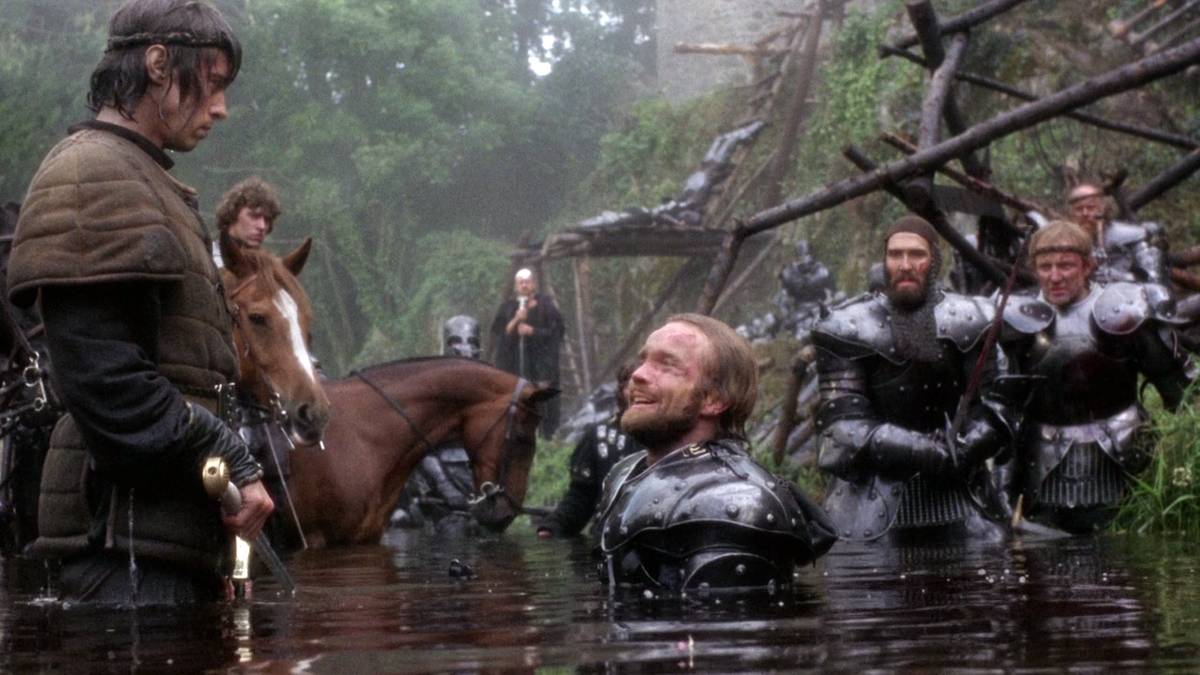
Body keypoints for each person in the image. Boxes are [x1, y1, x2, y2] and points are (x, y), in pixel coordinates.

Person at [6, 0, 272, 604]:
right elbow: (108, 385)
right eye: (213, 83)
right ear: (157, 65)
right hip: (121, 548)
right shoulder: (93, 173)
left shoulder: (139, 176)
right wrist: (229, 456)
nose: (221, 108)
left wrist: (212, 542)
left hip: (156, 540)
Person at [812, 216, 1050, 544]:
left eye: (916, 254)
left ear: (934, 260)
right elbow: (843, 426)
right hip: (869, 503)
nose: (905, 265)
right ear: (884, 261)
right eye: (896, 255)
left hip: (962, 494)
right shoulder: (847, 327)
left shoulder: (971, 318)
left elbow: (998, 404)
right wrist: (920, 449)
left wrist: (970, 445)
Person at [595, 314, 835, 592]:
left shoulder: (734, 503)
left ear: (714, 399)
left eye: (667, 365)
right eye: (644, 360)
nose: (637, 374)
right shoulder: (624, 474)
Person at [1001, 221, 1191, 534]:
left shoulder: (1124, 310)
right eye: (1045, 267)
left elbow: (1179, 390)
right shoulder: (1016, 319)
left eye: (1066, 265)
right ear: (1034, 269)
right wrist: (1001, 489)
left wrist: (1182, 460)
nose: (1055, 276)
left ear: (1088, 266)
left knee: (1127, 548)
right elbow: (1001, 408)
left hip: (1124, 454)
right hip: (1040, 465)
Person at [536, 365, 643, 539]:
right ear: (622, 391)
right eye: (633, 385)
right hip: (608, 541)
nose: (640, 392)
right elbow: (582, 496)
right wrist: (554, 525)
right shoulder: (599, 436)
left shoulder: (678, 436)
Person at [490, 268, 564, 438]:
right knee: (515, 399)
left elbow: (556, 332)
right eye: (521, 282)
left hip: (541, 366)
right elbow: (500, 334)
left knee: (542, 400)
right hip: (514, 364)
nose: (524, 285)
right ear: (516, 286)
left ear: (534, 284)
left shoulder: (546, 306)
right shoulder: (507, 307)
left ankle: (547, 436)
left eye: (527, 282)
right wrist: (516, 319)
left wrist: (533, 331)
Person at [1065, 182, 1170, 290]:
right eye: (1079, 209)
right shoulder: (1064, 242)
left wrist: (1117, 276)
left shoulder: (1132, 237)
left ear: (1102, 209)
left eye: (1091, 208)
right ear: (1071, 213)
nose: (1085, 213)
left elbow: (1154, 282)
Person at [211, 176, 281, 267]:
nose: (262, 226)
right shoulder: (205, 260)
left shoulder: (270, 268)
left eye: (267, 219)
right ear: (233, 214)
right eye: (254, 216)